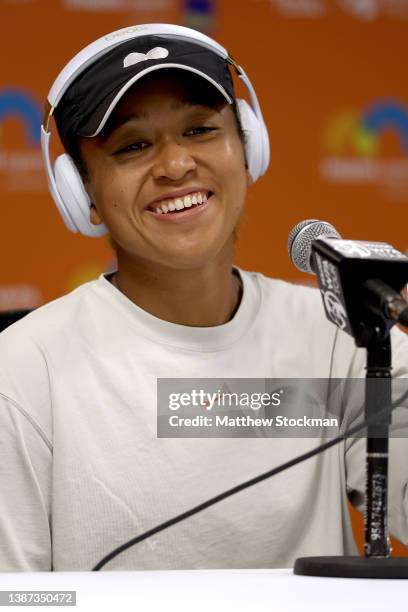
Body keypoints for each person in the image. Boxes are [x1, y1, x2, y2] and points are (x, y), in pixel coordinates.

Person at [0, 23, 407, 572]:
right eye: (134, 145)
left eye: (199, 130)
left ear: (249, 150)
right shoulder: (26, 368)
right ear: (82, 193)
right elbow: (13, 593)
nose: (174, 166)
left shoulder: (344, 332)